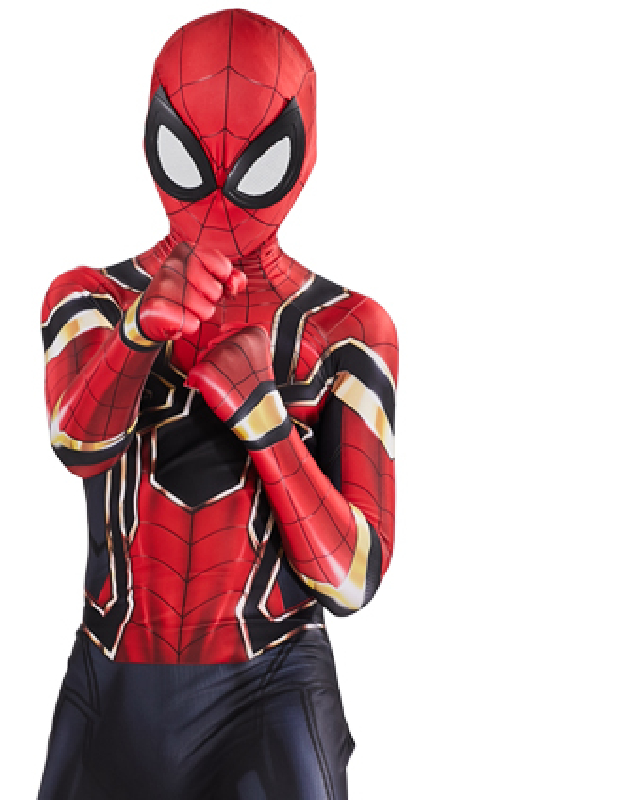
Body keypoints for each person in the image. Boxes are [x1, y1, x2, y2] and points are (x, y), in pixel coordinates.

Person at [36, 9, 398, 799]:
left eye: (255, 168)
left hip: (271, 684)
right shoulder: (90, 300)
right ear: (153, 138)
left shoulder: (346, 328)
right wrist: (137, 332)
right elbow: (76, 444)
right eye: (188, 159)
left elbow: (354, 579)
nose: (220, 202)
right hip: (113, 676)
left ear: (300, 151)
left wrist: (266, 420)